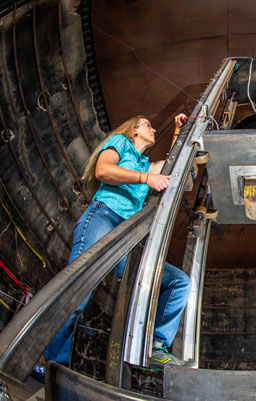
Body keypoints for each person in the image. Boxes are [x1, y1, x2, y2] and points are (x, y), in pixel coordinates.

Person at [36, 114, 191, 377]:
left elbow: (172, 166)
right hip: (104, 216)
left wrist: (178, 131)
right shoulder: (120, 143)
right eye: (147, 125)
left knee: (179, 282)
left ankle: (156, 345)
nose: (153, 129)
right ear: (134, 130)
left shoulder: (144, 163)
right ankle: (52, 365)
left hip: (127, 235)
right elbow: (103, 171)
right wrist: (145, 180)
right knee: (77, 292)